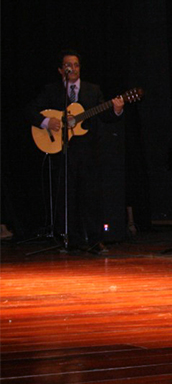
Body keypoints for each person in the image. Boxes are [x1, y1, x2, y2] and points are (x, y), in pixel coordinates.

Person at [29, 49, 124, 251]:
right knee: (66, 196)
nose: (71, 68)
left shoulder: (92, 90)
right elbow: (31, 111)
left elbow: (105, 116)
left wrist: (116, 109)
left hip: (88, 152)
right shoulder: (51, 91)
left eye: (75, 64)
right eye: (67, 65)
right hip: (63, 151)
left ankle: (95, 239)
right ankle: (70, 239)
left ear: (80, 68)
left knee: (91, 196)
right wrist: (47, 122)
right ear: (60, 69)